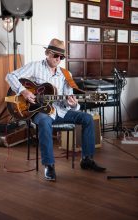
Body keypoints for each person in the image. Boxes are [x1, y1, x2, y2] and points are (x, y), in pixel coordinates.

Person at [6, 38, 106, 181]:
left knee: (87, 118)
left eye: (62, 57)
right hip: (39, 111)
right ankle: (49, 166)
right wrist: (24, 92)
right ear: (48, 53)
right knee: (45, 122)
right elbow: (10, 76)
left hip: (60, 111)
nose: (58, 59)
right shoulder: (35, 66)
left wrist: (72, 104)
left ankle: (86, 159)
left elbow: (68, 100)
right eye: (56, 55)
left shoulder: (66, 74)